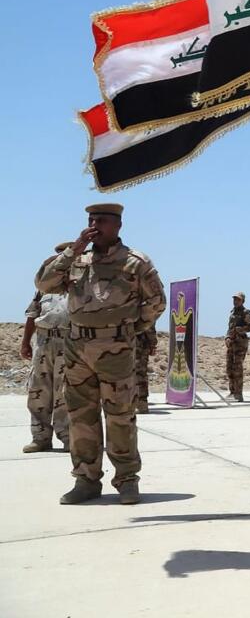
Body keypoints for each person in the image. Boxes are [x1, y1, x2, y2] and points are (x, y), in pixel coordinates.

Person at [35, 204, 166, 505]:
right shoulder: (76, 258)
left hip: (116, 348)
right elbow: (43, 283)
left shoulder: (135, 262)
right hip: (77, 348)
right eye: (91, 220)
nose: (95, 225)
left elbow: (156, 302)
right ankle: (86, 480)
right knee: (81, 417)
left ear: (118, 225)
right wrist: (72, 250)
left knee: (120, 416)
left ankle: (127, 480)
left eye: (102, 220)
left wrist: (130, 328)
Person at [20, 243, 73, 453]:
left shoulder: (81, 285)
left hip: (69, 342)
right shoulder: (44, 287)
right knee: (38, 390)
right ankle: (40, 437)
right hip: (43, 342)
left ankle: (69, 437)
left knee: (66, 392)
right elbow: (32, 315)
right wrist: (25, 343)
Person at [224, 292, 250, 402]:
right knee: (229, 368)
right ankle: (232, 392)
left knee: (237, 368)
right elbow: (230, 327)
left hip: (240, 343)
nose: (235, 301)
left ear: (242, 301)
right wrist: (227, 337)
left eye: (238, 299)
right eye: (235, 299)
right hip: (231, 343)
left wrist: (240, 329)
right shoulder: (232, 312)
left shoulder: (246, 312)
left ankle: (238, 393)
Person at [133, 327, 157, 414]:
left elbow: (149, 325)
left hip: (140, 343)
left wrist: (152, 344)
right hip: (129, 342)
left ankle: (141, 405)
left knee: (139, 374)